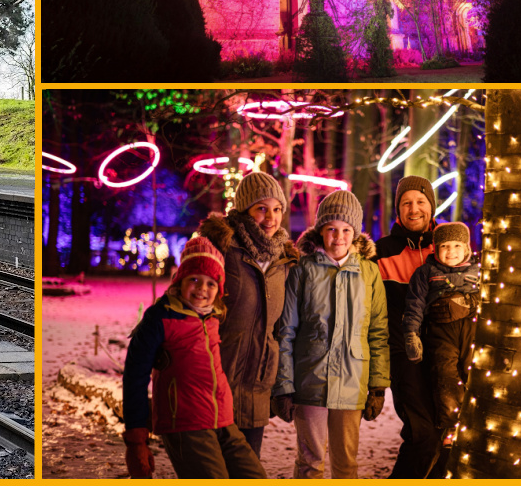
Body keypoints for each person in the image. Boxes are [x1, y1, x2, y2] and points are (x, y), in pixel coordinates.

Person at [121, 235, 266, 479]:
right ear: (180, 281)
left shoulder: (213, 317)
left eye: (211, 283)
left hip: (222, 419)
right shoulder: (161, 318)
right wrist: (137, 439)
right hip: (186, 423)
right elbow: (134, 375)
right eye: (195, 279)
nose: (202, 289)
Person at [272, 189, 389, 479]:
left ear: (356, 233)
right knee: (310, 462)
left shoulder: (369, 273)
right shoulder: (303, 270)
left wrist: (376, 384)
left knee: (346, 464)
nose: (339, 237)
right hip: (310, 381)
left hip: (352, 383)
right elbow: (286, 330)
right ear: (320, 231)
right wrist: (284, 385)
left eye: (347, 230)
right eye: (331, 229)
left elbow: (378, 332)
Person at [197, 170, 299, 457]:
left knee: (247, 467)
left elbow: (284, 327)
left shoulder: (284, 260)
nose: (271, 218)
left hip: (257, 385)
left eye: (277, 209)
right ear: (243, 210)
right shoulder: (221, 249)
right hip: (219, 380)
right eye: (261, 209)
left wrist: (284, 384)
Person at [373, 175, 440, 478]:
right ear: (398, 209)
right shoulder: (382, 251)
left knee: (444, 435)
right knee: (422, 434)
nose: (414, 209)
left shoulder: (448, 246)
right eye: (406, 203)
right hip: (404, 354)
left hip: (444, 352)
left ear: (431, 206)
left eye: (421, 201)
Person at [401, 220, 480, 472]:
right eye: (444, 246)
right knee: (444, 376)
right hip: (440, 331)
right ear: (435, 248)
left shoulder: (479, 271)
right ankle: (450, 425)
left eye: (457, 245)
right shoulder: (426, 272)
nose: (451, 251)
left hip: (471, 329)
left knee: (473, 374)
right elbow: (414, 305)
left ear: (467, 247)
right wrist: (411, 334)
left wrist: (470, 302)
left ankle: (472, 425)